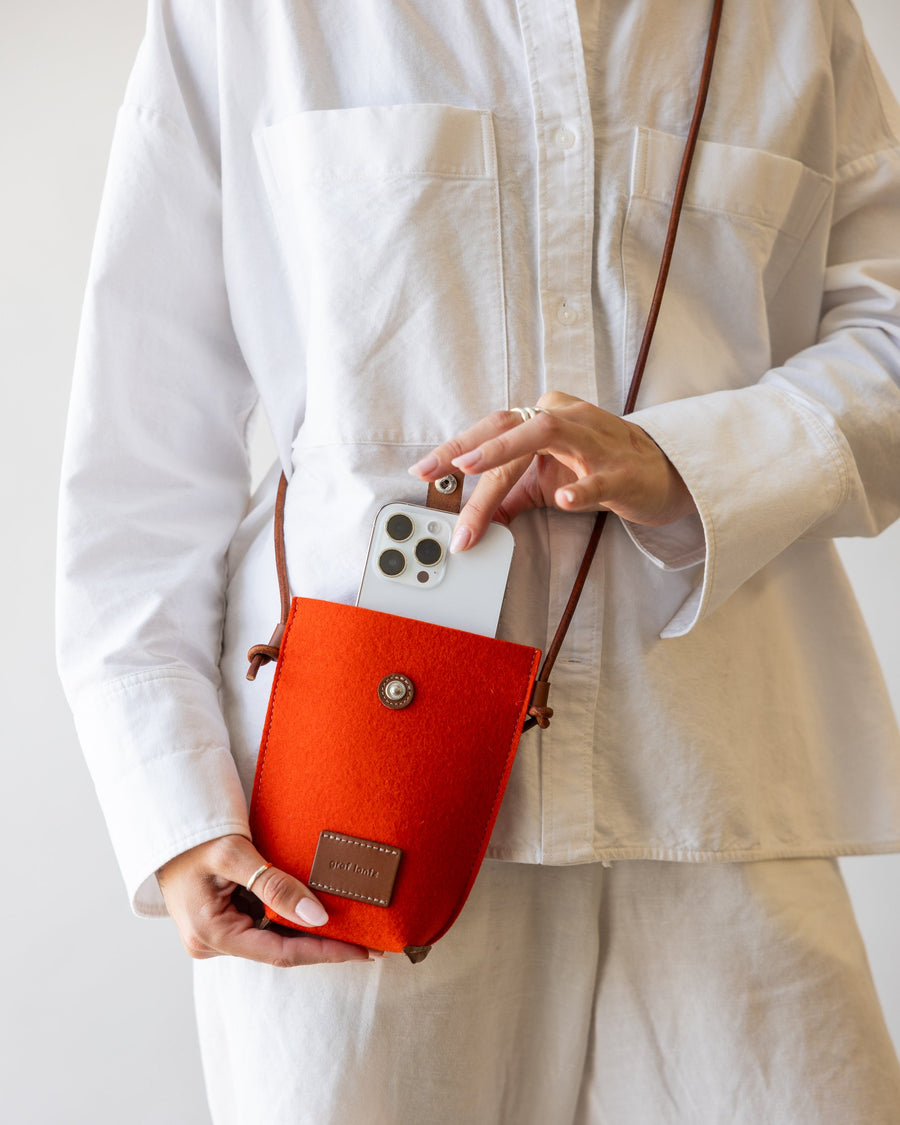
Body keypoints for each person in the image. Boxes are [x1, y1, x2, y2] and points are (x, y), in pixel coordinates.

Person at [57, 0, 900, 1120]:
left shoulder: (784, 20)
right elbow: (143, 454)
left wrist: (679, 459)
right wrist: (171, 803)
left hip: (713, 798)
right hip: (340, 820)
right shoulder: (245, 16)